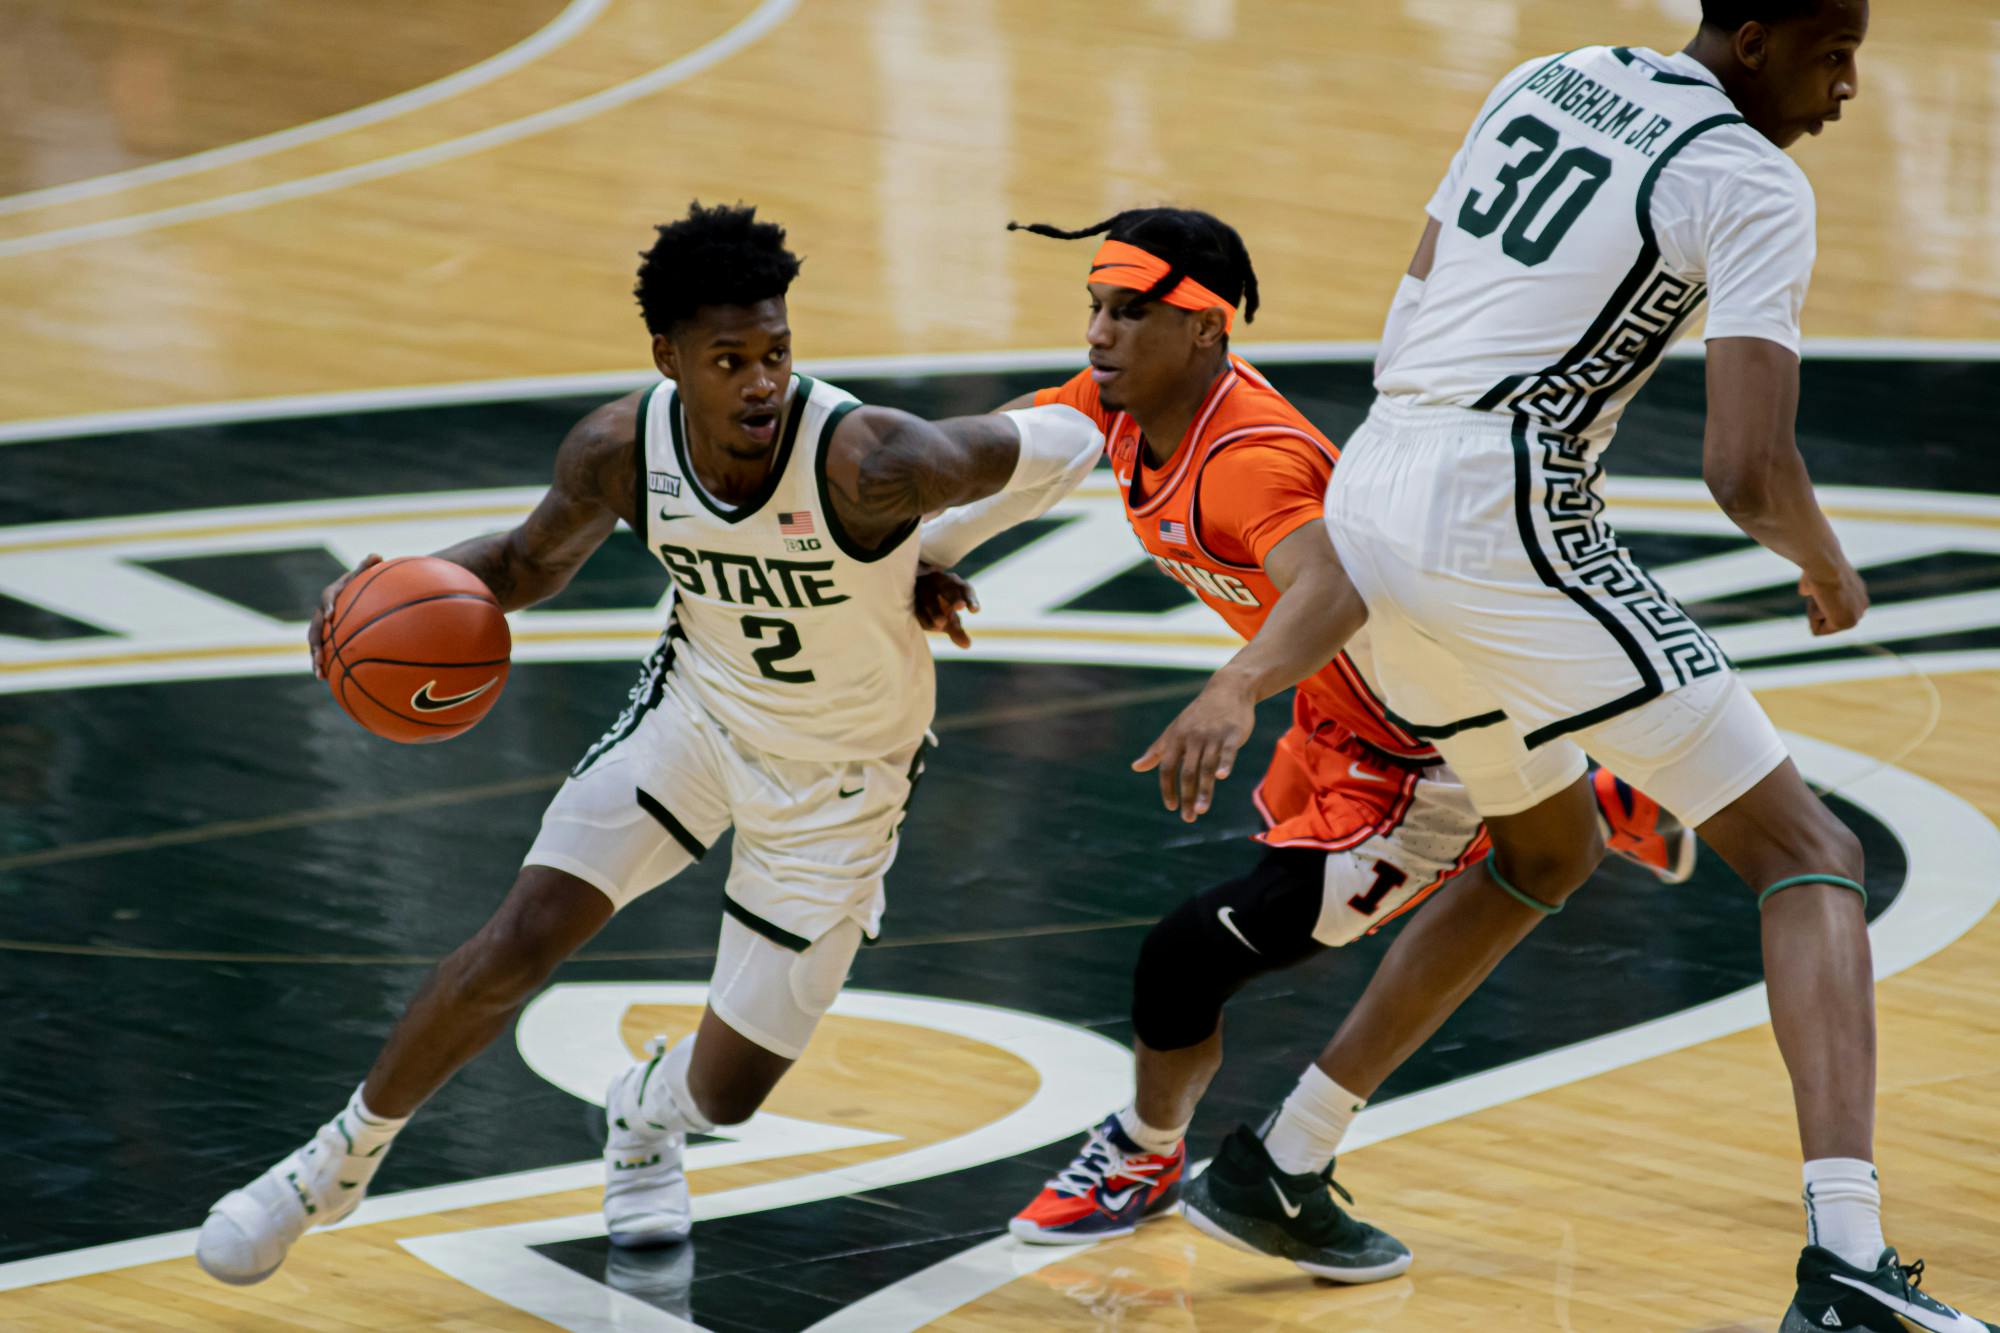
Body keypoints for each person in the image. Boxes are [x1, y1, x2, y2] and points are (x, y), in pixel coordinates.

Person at [1141, 5, 1997, 1328]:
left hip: (1381, 488)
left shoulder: (1560, 72)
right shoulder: (1753, 178)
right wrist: (1823, 562)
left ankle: (1284, 1155)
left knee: (1546, 847)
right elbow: (1745, 468)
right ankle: (1845, 1267)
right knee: (1809, 850)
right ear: (1759, 36)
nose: (1848, 91)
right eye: (1834, 54)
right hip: (1501, 513)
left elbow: (1421, 281)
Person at [193, 201, 1104, 1284]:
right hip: (697, 717)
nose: (761, 381)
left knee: (730, 1092)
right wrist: (376, 593)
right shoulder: (621, 450)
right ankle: (330, 1164)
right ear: (667, 358)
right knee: (518, 938)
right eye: (730, 359)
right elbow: (527, 565)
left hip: (841, 782)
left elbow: (1071, 440)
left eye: (776, 351)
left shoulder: (869, 462)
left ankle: (642, 1112)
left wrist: (924, 547)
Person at [913, 206, 1694, 1282]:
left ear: (1203, 328)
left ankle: (1146, 1156)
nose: (1098, 334)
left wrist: (1232, 686)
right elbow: (1006, 464)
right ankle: (1586, 797)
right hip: (1339, 716)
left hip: (1417, 748)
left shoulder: (1251, 460)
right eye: (1094, 307)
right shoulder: (1121, 400)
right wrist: (927, 551)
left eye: (1129, 313)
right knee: (1196, 958)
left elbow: (1330, 585)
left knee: (1188, 954)